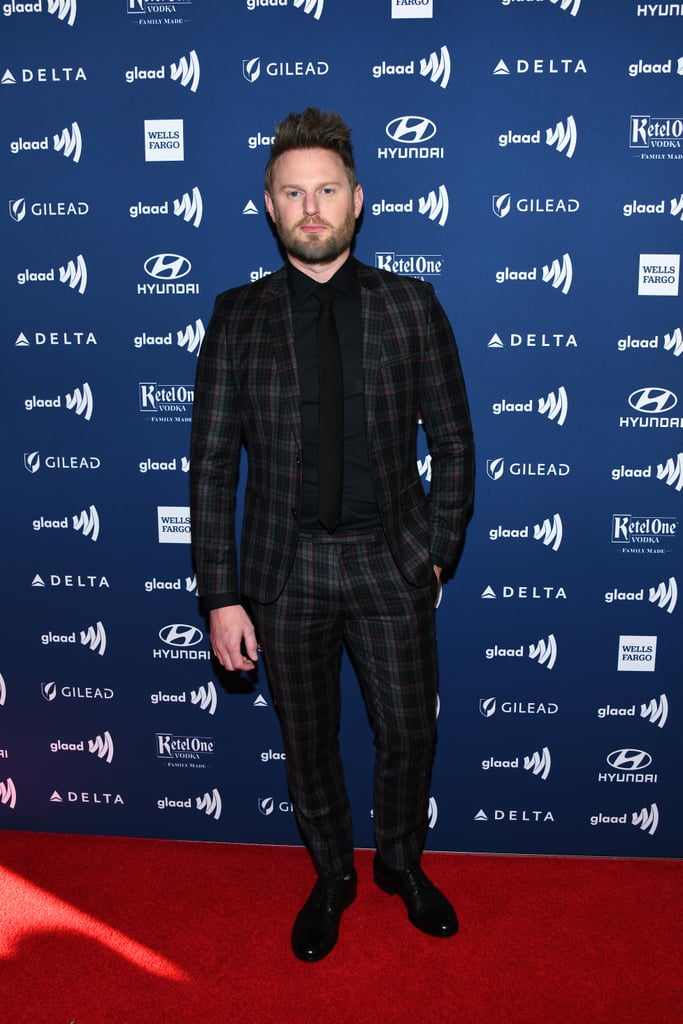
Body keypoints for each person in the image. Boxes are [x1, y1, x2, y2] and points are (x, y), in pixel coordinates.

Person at [190, 108, 474, 962]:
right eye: (291, 193)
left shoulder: (410, 305)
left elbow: (454, 441)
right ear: (269, 209)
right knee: (305, 741)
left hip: (391, 561)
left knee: (409, 732)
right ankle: (332, 877)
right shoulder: (236, 317)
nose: (309, 207)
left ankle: (398, 864)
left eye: (325, 189)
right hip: (285, 572)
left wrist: (435, 555)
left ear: (357, 199)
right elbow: (210, 469)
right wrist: (222, 594)